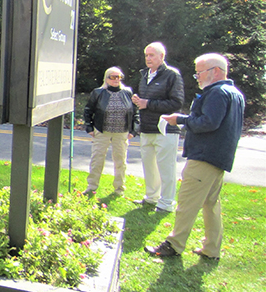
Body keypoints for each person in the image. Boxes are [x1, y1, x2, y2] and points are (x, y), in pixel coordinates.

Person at [145, 54, 244, 260]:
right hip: (219, 157)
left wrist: (180, 120)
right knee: (211, 204)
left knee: (187, 202)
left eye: (200, 73)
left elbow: (209, 122)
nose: (197, 77)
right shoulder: (235, 93)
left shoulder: (217, 92)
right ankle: (211, 249)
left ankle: (174, 245)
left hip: (204, 156)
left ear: (216, 71)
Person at [132, 42, 184, 212]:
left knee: (166, 168)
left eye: (152, 55)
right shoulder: (144, 75)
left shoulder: (172, 75)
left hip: (166, 129)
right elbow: (145, 102)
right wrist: (139, 102)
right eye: (146, 55)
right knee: (149, 167)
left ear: (162, 56)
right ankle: (151, 198)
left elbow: (176, 102)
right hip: (147, 128)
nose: (148, 58)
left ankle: (167, 203)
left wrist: (148, 103)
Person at [82, 67, 139, 196]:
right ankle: (91, 186)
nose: (116, 79)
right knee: (97, 160)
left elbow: (135, 113)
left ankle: (119, 189)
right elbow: (88, 110)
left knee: (120, 162)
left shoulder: (127, 92)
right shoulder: (98, 93)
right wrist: (89, 127)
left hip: (122, 132)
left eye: (119, 77)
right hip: (102, 131)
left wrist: (133, 130)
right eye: (113, 77)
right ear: (106, 78)